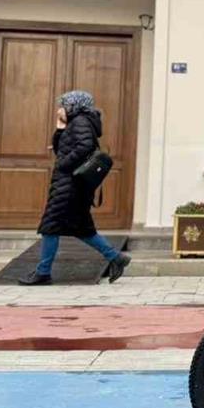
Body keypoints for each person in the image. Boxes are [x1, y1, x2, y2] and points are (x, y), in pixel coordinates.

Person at [20, 90, 131, 286]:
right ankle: (116, 257)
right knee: (82, 228)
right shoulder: (76, 122)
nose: (59, 109)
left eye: (63, 105)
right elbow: (60, 149)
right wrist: (60, 129)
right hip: (72, 185)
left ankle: (43, 272)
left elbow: (84, 147)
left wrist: (64, 165)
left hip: (70, 185)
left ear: (74, 106)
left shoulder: (80, 121)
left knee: (50, 226)